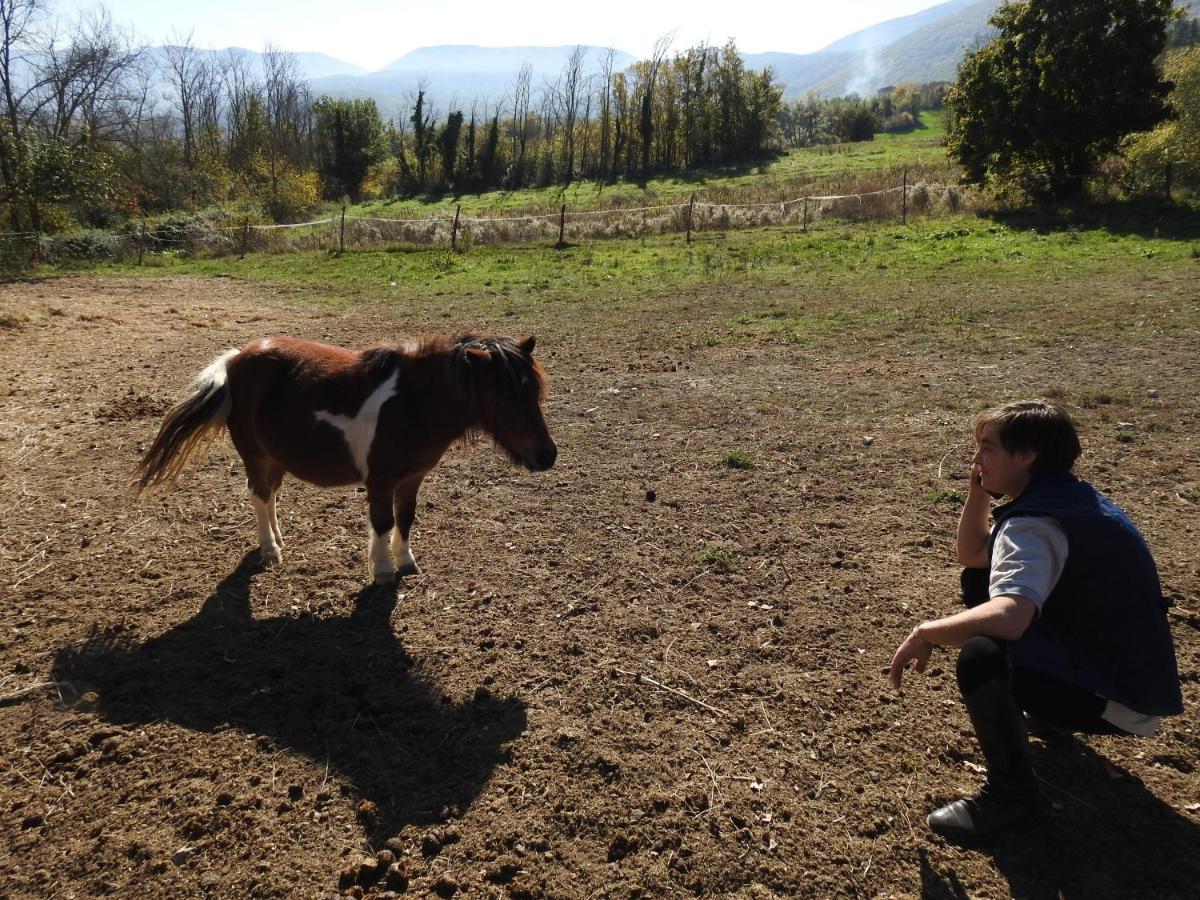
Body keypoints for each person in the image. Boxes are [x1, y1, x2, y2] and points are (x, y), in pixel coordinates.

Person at [889, 399, 1183, 840]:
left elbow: (1009, 618)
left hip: (1117, 698)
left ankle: (1012, 796)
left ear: (1026, 454)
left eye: (987, 448)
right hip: (1120, 676)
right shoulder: (1067, 498)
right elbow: (973, 557)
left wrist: (925, 630)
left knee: (982, 654)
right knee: (980, 584)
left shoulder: (1035, 524)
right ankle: (1044, 711)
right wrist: (978, 492)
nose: (975, 458)